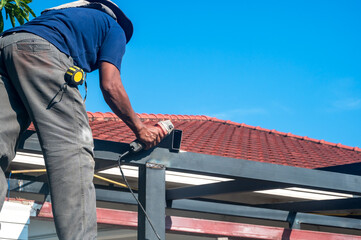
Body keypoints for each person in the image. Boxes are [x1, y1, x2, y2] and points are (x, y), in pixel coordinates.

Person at [0, 0, 165, 239]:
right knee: (72, 150)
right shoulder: (114, 28)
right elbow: (110, 85)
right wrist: (140, 128)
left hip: (5, 46)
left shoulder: (61, 19)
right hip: (42, 52)